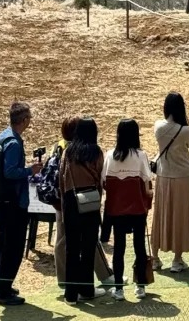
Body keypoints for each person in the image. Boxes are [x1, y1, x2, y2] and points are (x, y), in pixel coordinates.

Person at [53, 119, 114, 299]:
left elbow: (62, 181)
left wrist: (64, 209)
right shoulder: (95, 152)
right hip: (90, 202)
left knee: (71, 249)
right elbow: (101, 178)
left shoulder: (68, 152)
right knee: (88, 247)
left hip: (71, 202)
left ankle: (70, 294)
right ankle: (87, 290)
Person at [0, 101, 42, 307]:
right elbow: (10, 172)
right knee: (13, 246)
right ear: (23, 120)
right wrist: (30, 170)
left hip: (2, 201)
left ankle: (3, 285)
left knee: (3, 243)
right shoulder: (13, 143)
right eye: (29, 118)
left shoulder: (3, 136)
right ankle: (4, 291)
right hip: (13, 202)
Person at [150, 93, 189, 274]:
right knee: (180, 218)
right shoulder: (186, 130)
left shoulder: (158, 126)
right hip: (183, 177)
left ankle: (155, 257)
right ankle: (177, 259)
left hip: (164, 177)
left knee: (161, 215)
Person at [102, 121, 152, 302]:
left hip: (117, 209)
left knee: (119, 249)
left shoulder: (109, 155)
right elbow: (147, 182)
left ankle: (119, 289)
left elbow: (105, 183)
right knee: (139, 246)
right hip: (137, 208)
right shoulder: (141, 155)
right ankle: (141, 287)